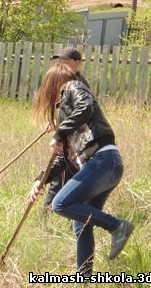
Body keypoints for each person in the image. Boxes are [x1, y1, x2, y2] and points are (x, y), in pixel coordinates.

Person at [30, 64, 133, 278]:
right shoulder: (67, 113)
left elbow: (86, 107)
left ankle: (117, 226)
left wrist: (59, 132)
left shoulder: (73, 86)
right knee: (81, 225)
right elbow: (62, 159)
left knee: (60, 203)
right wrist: (41, 181)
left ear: (52, 83)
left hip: (103, 161)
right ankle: (84, 279)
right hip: (103, 165)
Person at [44, 46, 90, 209]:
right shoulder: (61, 79)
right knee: (58, 176)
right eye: (59, 60)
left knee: (65, 175)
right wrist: (53, 120)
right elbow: (59, 105)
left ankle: (57, 210)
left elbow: (79, 112)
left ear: (77, 62)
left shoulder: (79, 84)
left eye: (65, 60)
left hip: (74, 140)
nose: (60, 63)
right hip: (64, 134)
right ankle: (50, 210)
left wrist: (61, 129)